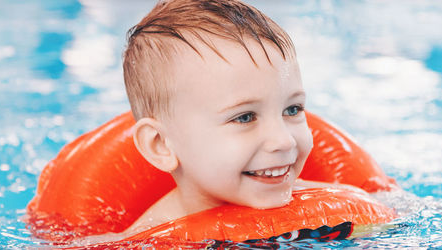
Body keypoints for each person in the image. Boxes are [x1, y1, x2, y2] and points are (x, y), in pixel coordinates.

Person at [109, 0, 367, 240]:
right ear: (161, 145)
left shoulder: (338, 213)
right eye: (244, 117)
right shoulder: (146, 240)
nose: (284, 141)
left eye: (292, 109)